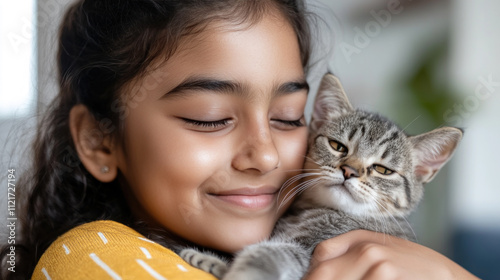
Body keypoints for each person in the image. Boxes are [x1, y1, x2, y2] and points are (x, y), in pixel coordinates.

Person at [0, 0, 478, 279]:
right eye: (209, 118)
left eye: (290, 118)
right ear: (100, 141)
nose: (266, 153)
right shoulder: (91, 258)